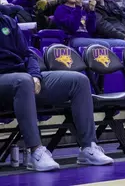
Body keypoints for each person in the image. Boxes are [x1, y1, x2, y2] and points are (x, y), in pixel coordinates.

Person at [0, 14, 113, 171]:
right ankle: (36, 151)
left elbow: (28, 54)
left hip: (23, 77)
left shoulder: (7, 21)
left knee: (79, 81)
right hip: (8, 80)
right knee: (23, 81)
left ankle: (88, 148)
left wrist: (35, 76)